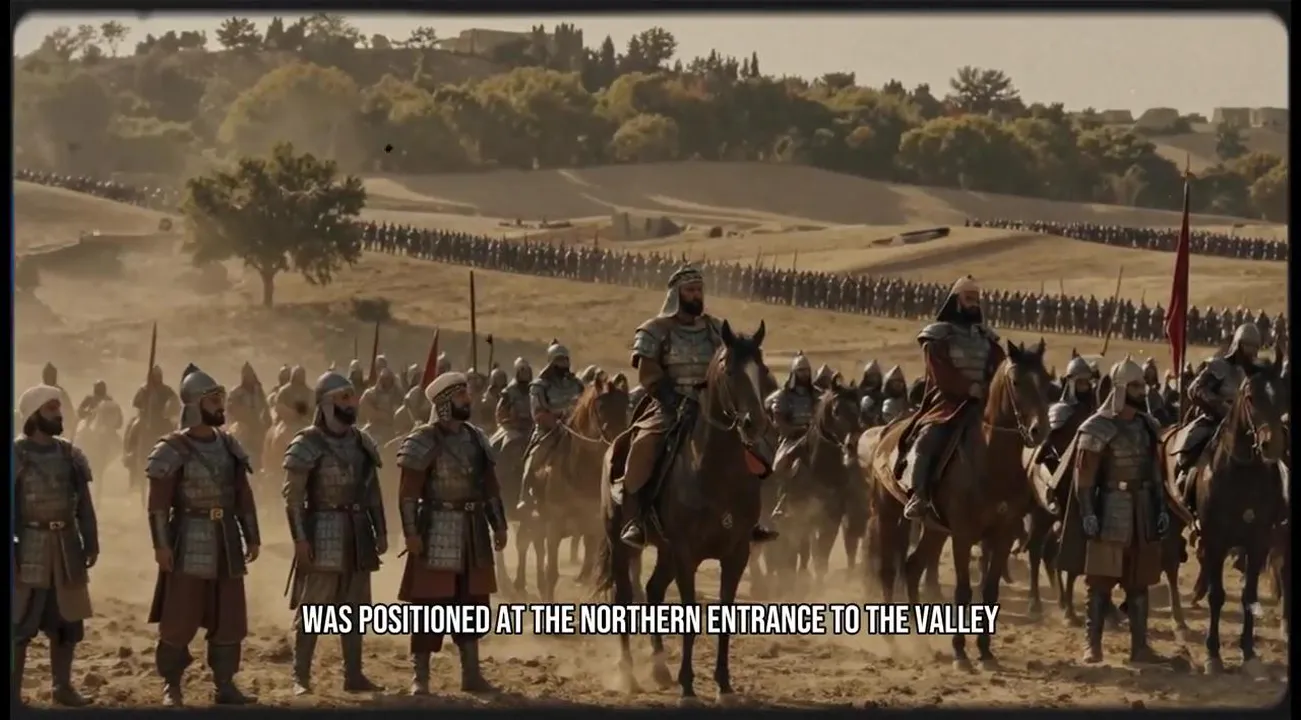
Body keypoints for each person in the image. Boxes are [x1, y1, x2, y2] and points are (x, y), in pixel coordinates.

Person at [618, 265, 779, 548]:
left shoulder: (716, 329)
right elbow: (648, 374)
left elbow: (733, 366)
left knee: (755, 451)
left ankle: (750, 518)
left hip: (713, 409)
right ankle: (637, 520)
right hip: (668, 407)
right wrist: (673, 399)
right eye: (690, 290)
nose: (696, 295)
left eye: (699, 290)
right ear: (675, 294)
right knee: (643, 448)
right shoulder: (655, 330)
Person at [144, 365, 260, 706]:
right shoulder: (172, 448)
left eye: (220, 399)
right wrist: (161, 545)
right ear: (195, 405)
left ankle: (225, 684)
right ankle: (172, 685)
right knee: (179, 616)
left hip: (226, 539)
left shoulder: (229, 445)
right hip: (188, 538)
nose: (220, 406)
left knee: (229, 617)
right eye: (213, 401)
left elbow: (243, 495)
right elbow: (158, 506)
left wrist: (252, 535)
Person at [1055, 357, 1175, 665]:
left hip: (1143, 510)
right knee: (1099, 583)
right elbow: (1084, 478)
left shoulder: (1147, 426)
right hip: (1111, 509)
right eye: (1135, 386)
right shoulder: (1097, 427)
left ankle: (1140, 648)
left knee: (1139, 583)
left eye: (1143, 385)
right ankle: (1092, 646)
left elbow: (1156, 475)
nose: (1142, 391)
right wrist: (1088, 513)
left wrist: (1161, 508)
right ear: (1120, 389)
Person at [395, 372, 508, 694]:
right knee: (429, 604)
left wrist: (499, 524)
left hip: (473, 530)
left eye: (466, 394)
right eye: (461, 395)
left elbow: (490, 489)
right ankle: (420, 677)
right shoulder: (423, 439)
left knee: (471, 603)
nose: (468, 400)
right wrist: (411, 533)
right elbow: (408, 494)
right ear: (445, 403)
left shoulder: (477, 438)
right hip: (437, 528)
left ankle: (471, 675)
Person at [283, 371, 387, 695]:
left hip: (357, 531)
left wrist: (381, 530)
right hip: (322, 530)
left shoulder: (362, 442)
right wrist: (300, 539)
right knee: (314, 607)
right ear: (326, 403)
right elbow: (293, 499)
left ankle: (353, 675)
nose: (351, 403)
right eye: (343, 397)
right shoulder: (307, 443)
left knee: (355, 608)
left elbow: (372, 493)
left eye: (351, 396)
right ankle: (301, 677)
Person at [13, 385, 99, 707]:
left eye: (58, 408)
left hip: (66, 547)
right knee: (19, 624)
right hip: (28, 547)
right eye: (51, 409)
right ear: (34, 415)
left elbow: (84, 505)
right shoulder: (16, 455)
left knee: (67, 623)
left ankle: (62, 687)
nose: (59, 414)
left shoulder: (70, 455)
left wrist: (91, 540)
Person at [899, 275, 1005, 521]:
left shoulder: (987, 338)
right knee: (928, 439)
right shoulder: (938, 336)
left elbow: (999, 367)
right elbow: (940, 372)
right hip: (947, 403)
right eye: (969, 298)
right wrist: (968, 388)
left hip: (983, 403)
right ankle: (919, 495)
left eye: (976, 299)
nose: (974, 304)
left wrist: (990, 389)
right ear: (956, 300)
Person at [1172, 323, 1262, 507]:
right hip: (1214, 422)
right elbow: (1195, 389)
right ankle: (1187, 486)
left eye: (1255, 347)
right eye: (1248, 345)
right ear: (1237, 345)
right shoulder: (1219, 366)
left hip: (1245, 428)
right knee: (1190, 449)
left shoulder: (1255, 375)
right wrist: (1222, 407)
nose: (1251, 351)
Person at [517, 341, 586, 514]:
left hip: (577, 431)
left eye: (565, 360)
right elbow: (538, 413)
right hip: (549, 430)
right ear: (551, 362)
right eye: (559, 360)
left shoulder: (576, 384)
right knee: (535, 456)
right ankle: (526, 496)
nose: (563, 364)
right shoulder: (539, 385)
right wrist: (557, 423)